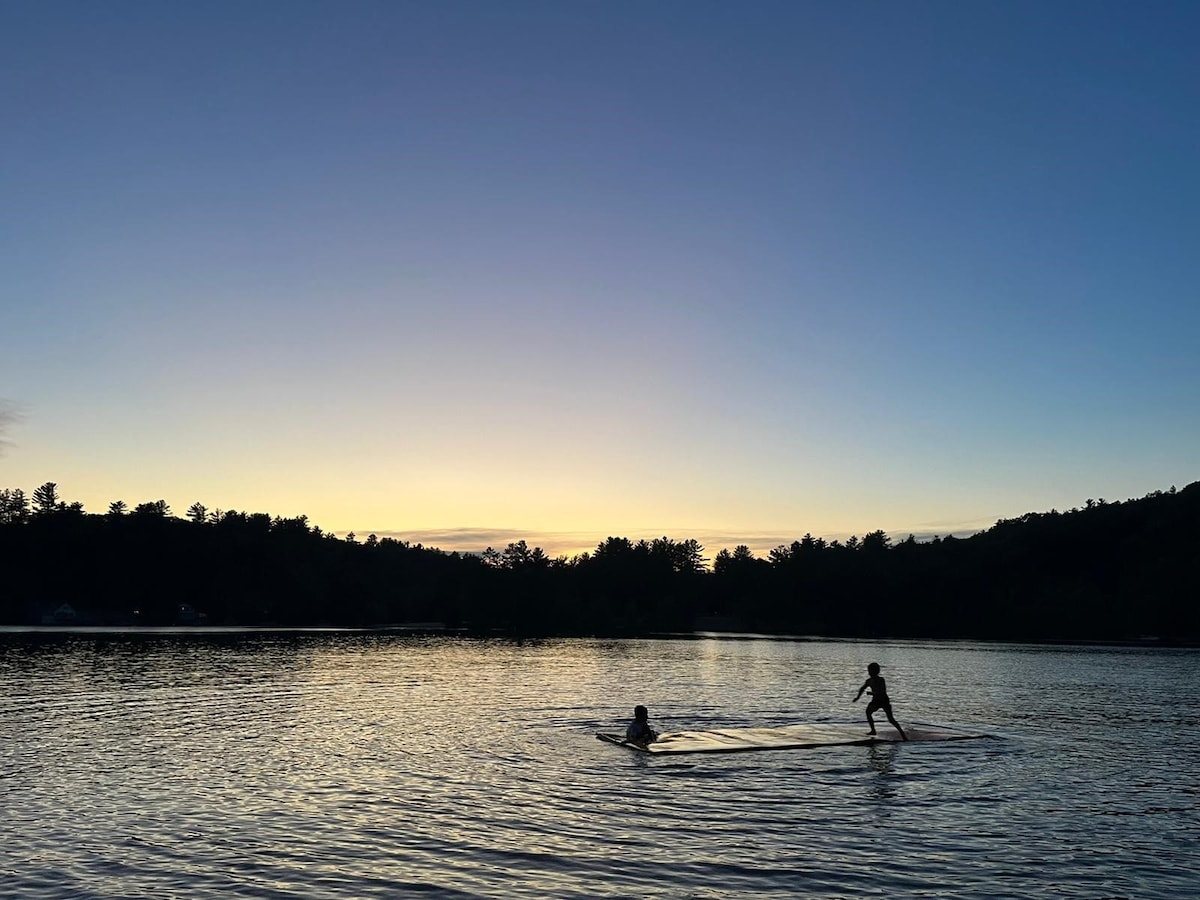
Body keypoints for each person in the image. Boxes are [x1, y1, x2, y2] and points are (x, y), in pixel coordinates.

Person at [853, 663, 907, 740]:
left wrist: (872, 693)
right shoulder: (869, 681)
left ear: (877, 672)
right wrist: (857, 697)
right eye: (869, 671)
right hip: (876, 701)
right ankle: (873, 730)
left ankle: (902, 734)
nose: (870, 673)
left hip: (884, 700)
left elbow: (882, 691)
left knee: (891, 719)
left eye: (871, 671)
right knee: (868, 712)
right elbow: (862, 688)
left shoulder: (881, 680)